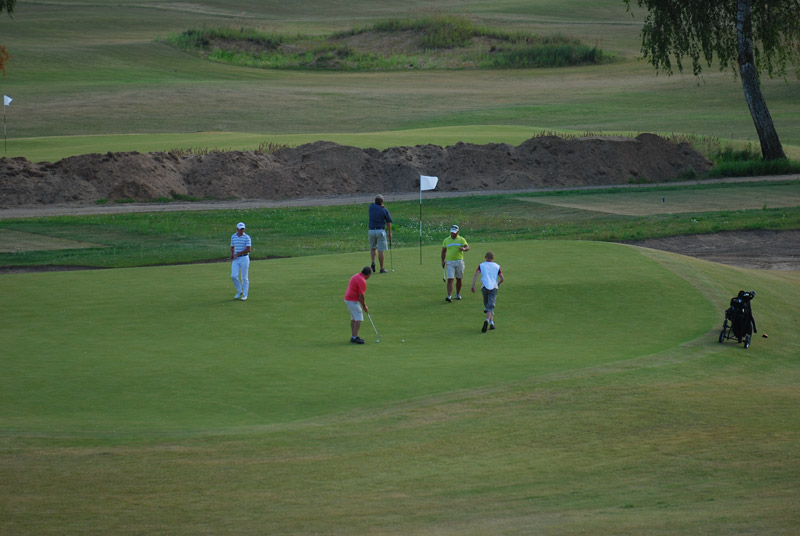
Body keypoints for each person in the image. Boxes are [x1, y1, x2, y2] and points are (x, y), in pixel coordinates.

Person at [471, 251, 504, 332]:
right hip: (494, 287)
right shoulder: (497, 266)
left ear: (485, 257)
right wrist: (498, 283)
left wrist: (473, 285)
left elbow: (476, 274)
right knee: (490, 306)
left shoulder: (481, 265)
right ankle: (487, 320)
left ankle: (492, 323)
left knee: (488, 306)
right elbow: (502, 278)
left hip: (484, 286)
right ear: (493, 258)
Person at [441, 224, 469, 302]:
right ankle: (449, 296)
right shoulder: (446, 240)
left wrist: (463, 248)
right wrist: (442, 261)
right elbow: (443, 251)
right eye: (452, 232)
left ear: (458, 232)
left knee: (459, 279)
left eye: (454, 232)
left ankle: (457, 294)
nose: (453, 233)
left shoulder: (461, 239)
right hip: (449, 262)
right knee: (450, 279)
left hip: (459, 262)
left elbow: (467, 247)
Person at [344, 266, 372, 344]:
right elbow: (361, 295)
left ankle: (353, 336)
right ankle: (355, 337)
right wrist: (364, 306)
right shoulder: (362, 281)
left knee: (354, 318)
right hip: (352, 300)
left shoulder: (356, 276)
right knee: (359, 318)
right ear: (368, 274)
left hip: (348, 299)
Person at [368, 194, 392, 274]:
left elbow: (374, 205)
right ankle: (381, 269)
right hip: (380, 231)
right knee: (381, 250)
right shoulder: (384, 210)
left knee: (373, 248)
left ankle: (373, 262)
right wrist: (390, 233)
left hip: (371, 231)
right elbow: (388, 223)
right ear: (382, 202)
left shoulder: (371, 207)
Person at [230, 222, 251, 300]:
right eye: (240, 229)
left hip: (244, 258)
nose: (241, 230)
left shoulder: (247, 237)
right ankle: (239, 290)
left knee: (244, 277)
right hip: (236, 259)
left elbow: (248, 250)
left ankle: (245, 295)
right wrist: (232, 254)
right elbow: (232, 247)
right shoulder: (233, 237)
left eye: (242, 229)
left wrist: (238, 253)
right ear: (237, 229)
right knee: (233, 276)